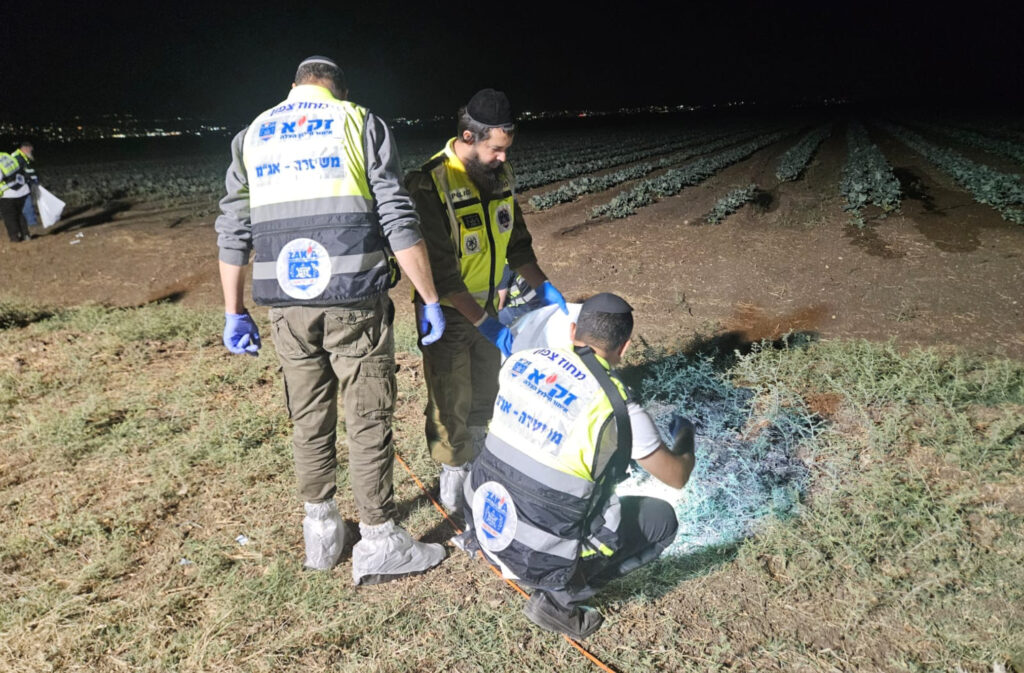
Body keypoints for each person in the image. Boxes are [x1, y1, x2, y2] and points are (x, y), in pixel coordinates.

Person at [215, 55, 448, 584]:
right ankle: (380, 538)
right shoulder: (359, 122)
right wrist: (428, 296)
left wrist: (234, 311)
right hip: (353, 301)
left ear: (293, 87)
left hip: (287, 308)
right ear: (337, 89)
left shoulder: (253, 134)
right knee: (367, 418)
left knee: (308, 416)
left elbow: (233, 229)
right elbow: (395, 214)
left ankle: (321, 533)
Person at [461, 293, 697, 640]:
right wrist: (686, 438)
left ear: (572, 331)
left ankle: (503, 556)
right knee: (662, 520)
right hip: (535, 551)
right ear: (626, 346)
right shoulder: (619, 408)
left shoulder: (522, 362)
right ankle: (559, 598)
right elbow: (676, 477)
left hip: (483, 520)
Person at [405, 88, 568, 513]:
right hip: (448, 313)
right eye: (495, 149)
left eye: (506, 150)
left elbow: (517, 243)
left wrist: (546, 290)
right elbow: (441, 273)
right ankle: (454, 480)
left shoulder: (500, 176)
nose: (502, 158)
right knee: (450, 397)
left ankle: (478, 459)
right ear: (468, 137)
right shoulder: (430, 183)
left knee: (486, 391)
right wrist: (486, 323)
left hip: (488, 309)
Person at [1, 142, 35, 243]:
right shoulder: (5, 156)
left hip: (8, 194)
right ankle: (26, 235)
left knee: (9, 216)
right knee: (19, 214)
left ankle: (15, 237)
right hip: (22, 190)